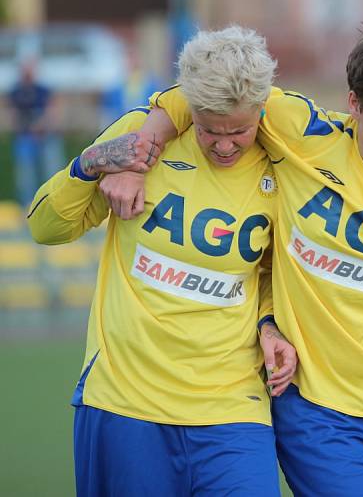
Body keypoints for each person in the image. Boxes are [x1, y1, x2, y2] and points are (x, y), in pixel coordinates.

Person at [103, 22, 363, 497]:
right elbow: (197, 95)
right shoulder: (298, 130)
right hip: (316, 406)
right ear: (353, 103)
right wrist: (138, 156)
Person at [27, 26, 297, 497]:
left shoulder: (281, 162)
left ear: (261, 111)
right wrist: (90, 165)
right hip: (125, 404)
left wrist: (270, 324)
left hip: (233, 411)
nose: (227, 144)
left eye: (241, 130)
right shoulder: (139, 141)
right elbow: (46, 227)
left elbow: (274, 270)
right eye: (212, 130)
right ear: (188, 110)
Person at [8, 59, 64, 206]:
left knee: (53, 172)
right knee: (26, 176)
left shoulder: (43, 90)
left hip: (46, 136)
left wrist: (41, 125)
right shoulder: (16, 92)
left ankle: (55, 202)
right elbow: (12, 116)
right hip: (25, 137)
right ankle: (28, 204)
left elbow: (52, 111)